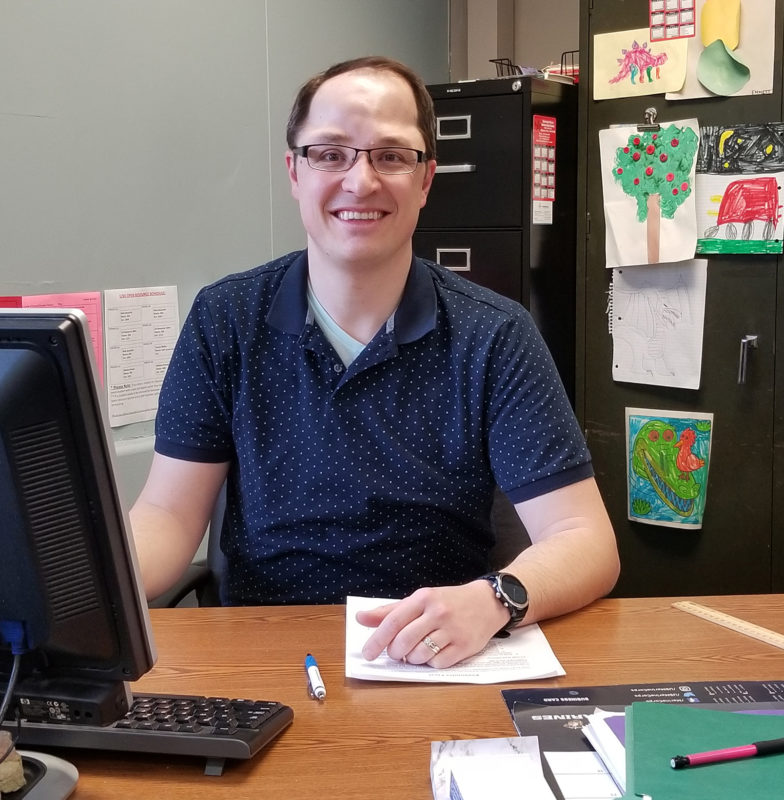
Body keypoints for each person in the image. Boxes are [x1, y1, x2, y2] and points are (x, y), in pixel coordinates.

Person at [130, 56, 620, 668]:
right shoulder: (225, 319)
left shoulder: (495, 334)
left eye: (390, 155)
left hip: (436, 657)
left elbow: (585, 539)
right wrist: (73, 591)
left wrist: (496, 598)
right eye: (330, 153)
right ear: (295, 172)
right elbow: (168, 515)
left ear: (425, 180)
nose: (360, 181)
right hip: (261, 652)